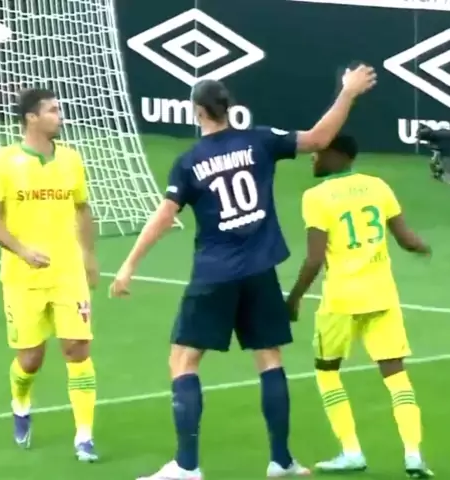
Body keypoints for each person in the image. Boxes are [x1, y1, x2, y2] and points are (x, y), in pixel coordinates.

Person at [109, 65, 378, 480]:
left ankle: (187, 466)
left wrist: (129, 265)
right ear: (229, 108)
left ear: (199, 112)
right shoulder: (260, 141)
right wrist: (348, 92)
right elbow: (319, 139)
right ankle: (281, 460)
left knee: (183, 360)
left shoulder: (190, 162)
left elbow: (164, 217)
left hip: (215, 273)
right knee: (269, 358)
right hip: (259, 271)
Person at [285, 134, 434, 478]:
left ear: (338, 155)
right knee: (396, 375)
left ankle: (351, 451)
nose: (312, 158)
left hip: (341, 300)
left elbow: (314, 259)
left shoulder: (316, 197)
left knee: (327, 371)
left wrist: (293, 299)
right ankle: (413, 455)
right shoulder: (377, 186)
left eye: (318, 152)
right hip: (382, 295)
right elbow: (406, 239)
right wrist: (423, 247)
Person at [0, 88, 100, 462]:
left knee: (77, 348)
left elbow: (82, 208)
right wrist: (22, 250)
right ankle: (20, 403)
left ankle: (84, 436)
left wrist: (89, 255)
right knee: (31, 358)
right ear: (31, 118)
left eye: (58, 110)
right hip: (22, 277)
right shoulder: (2, 162)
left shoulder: (71, 160)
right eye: (52, 110)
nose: (59, 116)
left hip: (68, 273)